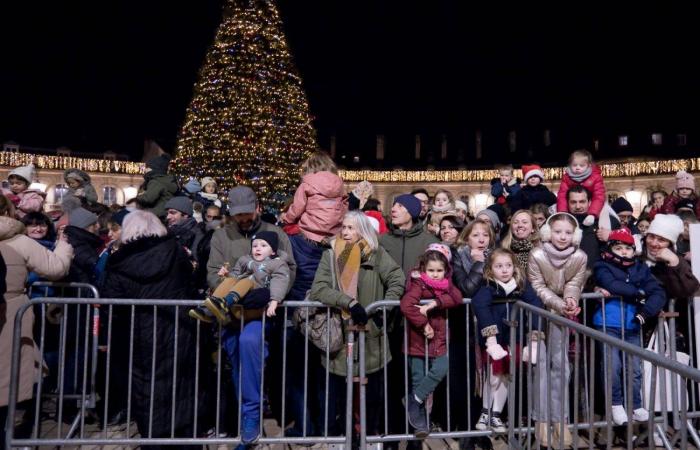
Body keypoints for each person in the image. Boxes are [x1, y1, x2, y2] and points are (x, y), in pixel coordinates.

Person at [100, 210, 199, 449]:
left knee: (147, 390)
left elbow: (111, 304)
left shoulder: (119, 260)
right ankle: (184, 442)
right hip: (178, 328)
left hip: (139, 333)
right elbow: (190, 284)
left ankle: (154, 440)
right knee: (181, 386)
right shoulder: (174, 251)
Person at [309, 210, 405, 438]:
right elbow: (319, 288)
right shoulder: (331, 255)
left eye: (351, 228)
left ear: (363, 230)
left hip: (371, 337)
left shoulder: (377, 254)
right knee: (341, 395)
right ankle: (347, 438)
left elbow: (397, 279)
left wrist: (384, 306)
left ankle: (370, 436)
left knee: (373, 395)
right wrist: (349, 302)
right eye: (343, 227)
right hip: (340, 339)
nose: (345, 231)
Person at [0, 198, 73, 446]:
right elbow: (55, 268)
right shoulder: (19, 240)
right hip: (9, 314)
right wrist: (63, 245)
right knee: (3, 382)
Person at [593, 227, 665, 425]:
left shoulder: (640, 268)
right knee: (612, 366)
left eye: (628, 248)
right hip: (608, 324)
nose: (624, 252)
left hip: (633, 325)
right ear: (610, 249)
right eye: (618, 247)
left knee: (635, 369)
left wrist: (645, 312)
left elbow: (658, 292)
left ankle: (635, 405)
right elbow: (612, 284)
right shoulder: (602, 265)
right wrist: (640, 293)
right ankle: (616, 404)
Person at [528, 212, 588, 446]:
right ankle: (541, 421)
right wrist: (560, 304)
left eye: (568, 232)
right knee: (541, 367)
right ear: (547, 232)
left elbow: (575, 282)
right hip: (538, 314)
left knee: (561, 367)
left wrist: (571, 300)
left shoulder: (580, 256)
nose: (562, 236)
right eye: (558, 231)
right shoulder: (537, 254)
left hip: (561, 315)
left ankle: (560, 420)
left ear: (575, 235)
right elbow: (537, 285)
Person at [472, 248, 543, 433]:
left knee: (506, 376)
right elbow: (479, 304)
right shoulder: (488, 286)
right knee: (493, 376)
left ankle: (496, 414)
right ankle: (485, 412)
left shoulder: (520, 285)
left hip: (514, 337)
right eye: (499, 266)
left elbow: (536, 303)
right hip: (495, 341)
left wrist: (534, 337)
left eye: (508, 266)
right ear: (490, 269)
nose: (504, 270)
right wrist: (491, 339)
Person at [400, 244, 463, 437]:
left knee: (441, 369)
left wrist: (435, 303)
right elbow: (407, 305)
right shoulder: (418, 282)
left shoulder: (447, 284)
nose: (435, 275)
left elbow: (458, 297)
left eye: (439, 270)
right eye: (431, 270)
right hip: (417, 341)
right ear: (423, 269)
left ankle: (413, 400)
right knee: (418, 378)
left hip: (439, 340)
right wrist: (424, 324)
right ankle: (420, 423)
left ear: (446, 270)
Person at [190, 231, 290, 326]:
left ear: (273, 251)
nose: (258, 248)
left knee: (247, 281)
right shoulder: (245, 260)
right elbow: (236, 275)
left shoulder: (277, 264)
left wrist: (274, 301)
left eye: (263, 245)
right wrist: (227, 275)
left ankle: (224, 304)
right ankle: (210, 310)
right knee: (231, 280)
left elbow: (280, 282)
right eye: (255, 246)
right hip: (237, 306)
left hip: (256, 305)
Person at [380, 193, 439, 276]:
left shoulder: (430, 242)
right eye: (393, 206)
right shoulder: (382, 240)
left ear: (412, 212)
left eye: (400, 206)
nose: (393, 209)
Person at [556, 149, 606, 226]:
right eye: (574, 165)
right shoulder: (567, 178)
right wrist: (563, 212)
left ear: (589, 165)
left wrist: (593, 214)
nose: (577, 168)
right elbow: (562, 196)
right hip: (572, 210)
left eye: (581, 165)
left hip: (592, 208)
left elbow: (599, 196)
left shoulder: (595, 177)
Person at [64, 207, 103, 284]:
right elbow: (94, 263)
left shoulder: (81, 240)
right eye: (94, 224)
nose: (98, 226)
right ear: (85, 227)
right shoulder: (75, 242)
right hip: (81, 290)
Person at [136, 154, 179, 219]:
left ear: (154, 169)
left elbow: (148, 198)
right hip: (164, 213)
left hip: (157, 214)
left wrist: (138, 196)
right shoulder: (165, 180)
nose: (145, 169)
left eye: (148, 167)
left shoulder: (156, 181)